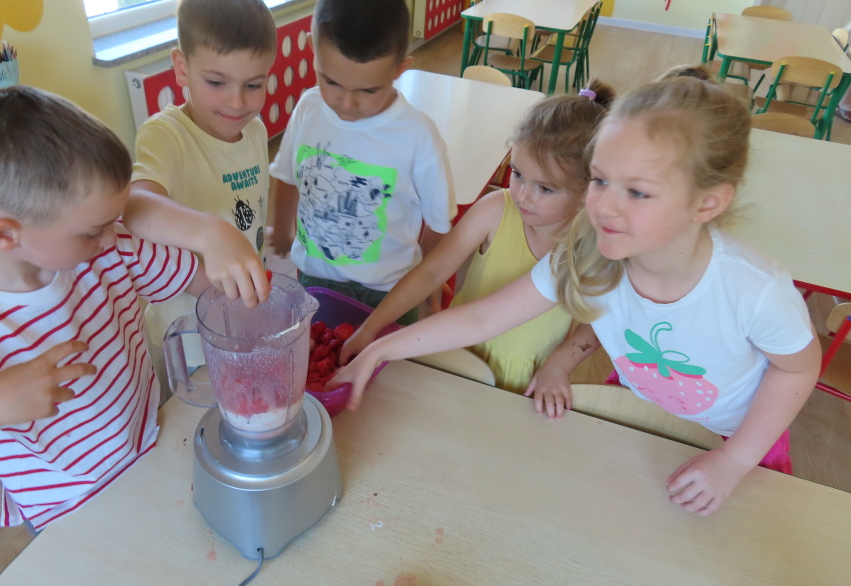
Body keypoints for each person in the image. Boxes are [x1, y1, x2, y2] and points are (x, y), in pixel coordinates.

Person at [330, 77, 820, 516]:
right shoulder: (589, 256)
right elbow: (482, 319)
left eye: (637, 192)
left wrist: (734, 460)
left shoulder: (753, 289)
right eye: (601, 181)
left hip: (738, 439)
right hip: (645, 413)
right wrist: (381, 347)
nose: (604, 207)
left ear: (707, 202)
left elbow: (798, 368)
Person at [0, 87, 211, 530]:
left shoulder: (109, 247)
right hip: (64, 512)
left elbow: (204, 283)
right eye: (92, 231)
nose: (112, 236)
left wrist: (223, 251)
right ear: (4, 235)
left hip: (149, 450)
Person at [340, 81, 615, 395]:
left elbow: (601, 318)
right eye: (517, 174)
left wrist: (561, 364)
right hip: (455, 352)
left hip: (527, 378)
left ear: (588, 191)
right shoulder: (495, 209)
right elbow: (431, 271)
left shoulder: (594, 245)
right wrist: (370, 328)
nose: (523, 195)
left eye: (545, 188)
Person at [269, 0, 455, 325]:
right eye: (331, 81)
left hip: (389, 290)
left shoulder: (418, 136)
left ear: (400, 69)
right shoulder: (309, 109)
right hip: (314, 279)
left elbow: (437, 223)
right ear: (313, 50)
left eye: (368, 90)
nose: (347, 102)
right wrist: (280, 229)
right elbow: (286, 174)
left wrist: (429, 286)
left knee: (387, 360)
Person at [128, 0, 276, 382]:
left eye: (253, 85)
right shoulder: (166, 135)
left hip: (242, 317)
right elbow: (135, 209)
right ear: (182, 69)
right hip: (189, 337)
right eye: (216, 82)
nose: (237, 102)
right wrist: (212, 234)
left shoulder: (255, 131)